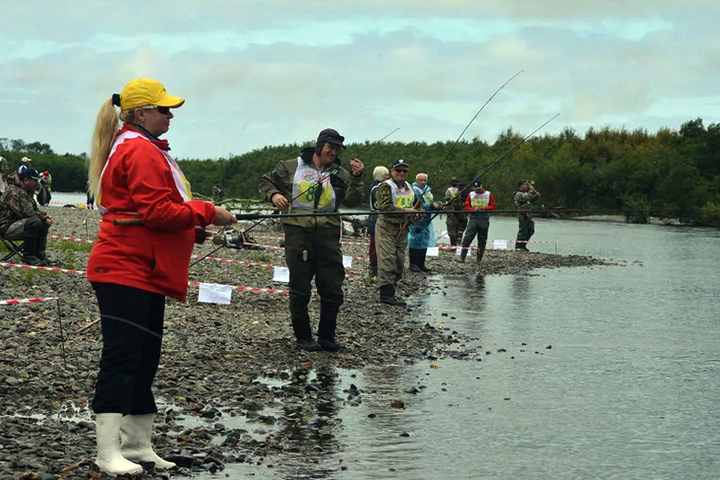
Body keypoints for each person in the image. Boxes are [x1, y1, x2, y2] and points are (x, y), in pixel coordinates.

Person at [85, 78, 237, 476]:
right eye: (164, 109)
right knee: (122, 357)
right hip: (124, 269)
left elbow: (158, 211)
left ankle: (136, 445)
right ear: (138, 113)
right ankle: (107, 452)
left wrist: (193, 225)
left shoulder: (142, 146)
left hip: (144, 271)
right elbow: (157, 213)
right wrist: (207, 212)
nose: (170, 116)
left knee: (145, 357)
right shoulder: (139, 149)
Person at [258, 128, 364, 352]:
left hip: (328, 236)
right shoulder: (290, 166)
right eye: (330, 148)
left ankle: (327, 337)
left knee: (333, 288)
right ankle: (303, 337)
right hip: (298, 235)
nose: (334, 153)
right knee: (300, 288)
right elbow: (266, 181)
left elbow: (353, 199)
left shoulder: (340, 173)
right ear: (319, 146)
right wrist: (274, 195)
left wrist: (356, 179)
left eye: (337, 149)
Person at [374, 157, 423, 305]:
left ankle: (392, 286)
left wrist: (418, 213)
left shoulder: (410, 188)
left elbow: (418, 205)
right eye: (398, 170)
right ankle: (386, 294)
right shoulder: (385, 186)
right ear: (392, 171)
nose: (401, 173)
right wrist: (404, 211)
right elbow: (384, 207)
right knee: (387, 260)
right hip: (386, 226)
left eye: (404, 171)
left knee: (399, 261)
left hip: (403, 228)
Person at [0, 167, 53, 265]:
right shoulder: (15, 191)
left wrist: (45, 216)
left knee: (42, 222)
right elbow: (27, 212)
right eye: (35, 180)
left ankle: (39, 255)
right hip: (6, 226)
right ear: (26, 180)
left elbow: (34, 209)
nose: (37, 182)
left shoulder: (26, 190)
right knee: (35, 222)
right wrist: (44, 217)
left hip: (16, 223)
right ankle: (28, 256)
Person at [408, 172, 441, 272]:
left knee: (424, 241)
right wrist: (431, 206)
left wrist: (437, 206)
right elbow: (418, 204)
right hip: (417, 218)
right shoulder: (413, 190)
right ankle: (413, 264)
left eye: (424, 180)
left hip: (427, 219)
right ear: (416, 180)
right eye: (420, 180)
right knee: (415, 240)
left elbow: (431, 202)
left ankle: (421, 264)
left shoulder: (428, 191)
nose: (422, 182)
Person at [459, 180, 496, 264]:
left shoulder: (488, 194)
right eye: (476, 189)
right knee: (468, 237)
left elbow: (493, 206)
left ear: (482, 187)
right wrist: (472, 209)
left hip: (484, 217)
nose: (477, 191)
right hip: (473, 217)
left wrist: (486, 208)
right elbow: (466, 206)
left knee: (482, 238)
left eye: (479, 189)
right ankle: (462, 257)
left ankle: (479, 259)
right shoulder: (471, 194)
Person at [367, 166, 389, 276]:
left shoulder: (376, 186)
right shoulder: (377, 188)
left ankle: (381, 267)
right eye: (386, 175)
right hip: (376, 217)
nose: (388, 177)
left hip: (376, 217)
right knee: (374, 244)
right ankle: (373, 267)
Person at [514, 179, 541, 251]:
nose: (526, 186)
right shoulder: (518, 194)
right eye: (525, 184)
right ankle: (518, 247)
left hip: (528, 215)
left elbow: (531, 199)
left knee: (531, 230)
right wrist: (531, 191)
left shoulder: (525, 193)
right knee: (522, 231)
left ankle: (523, 245)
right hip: (522, 215)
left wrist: (536, 196)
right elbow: (526, 198)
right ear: (521, 185)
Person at [444, 177, 467, 247]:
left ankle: (457, 241)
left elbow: (462, 199)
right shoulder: (452, 190)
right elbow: (447, 198)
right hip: (453, 210)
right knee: (453, 226)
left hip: (456, 210)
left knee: (458, 224)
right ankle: (455, 242)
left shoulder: (457, 190)